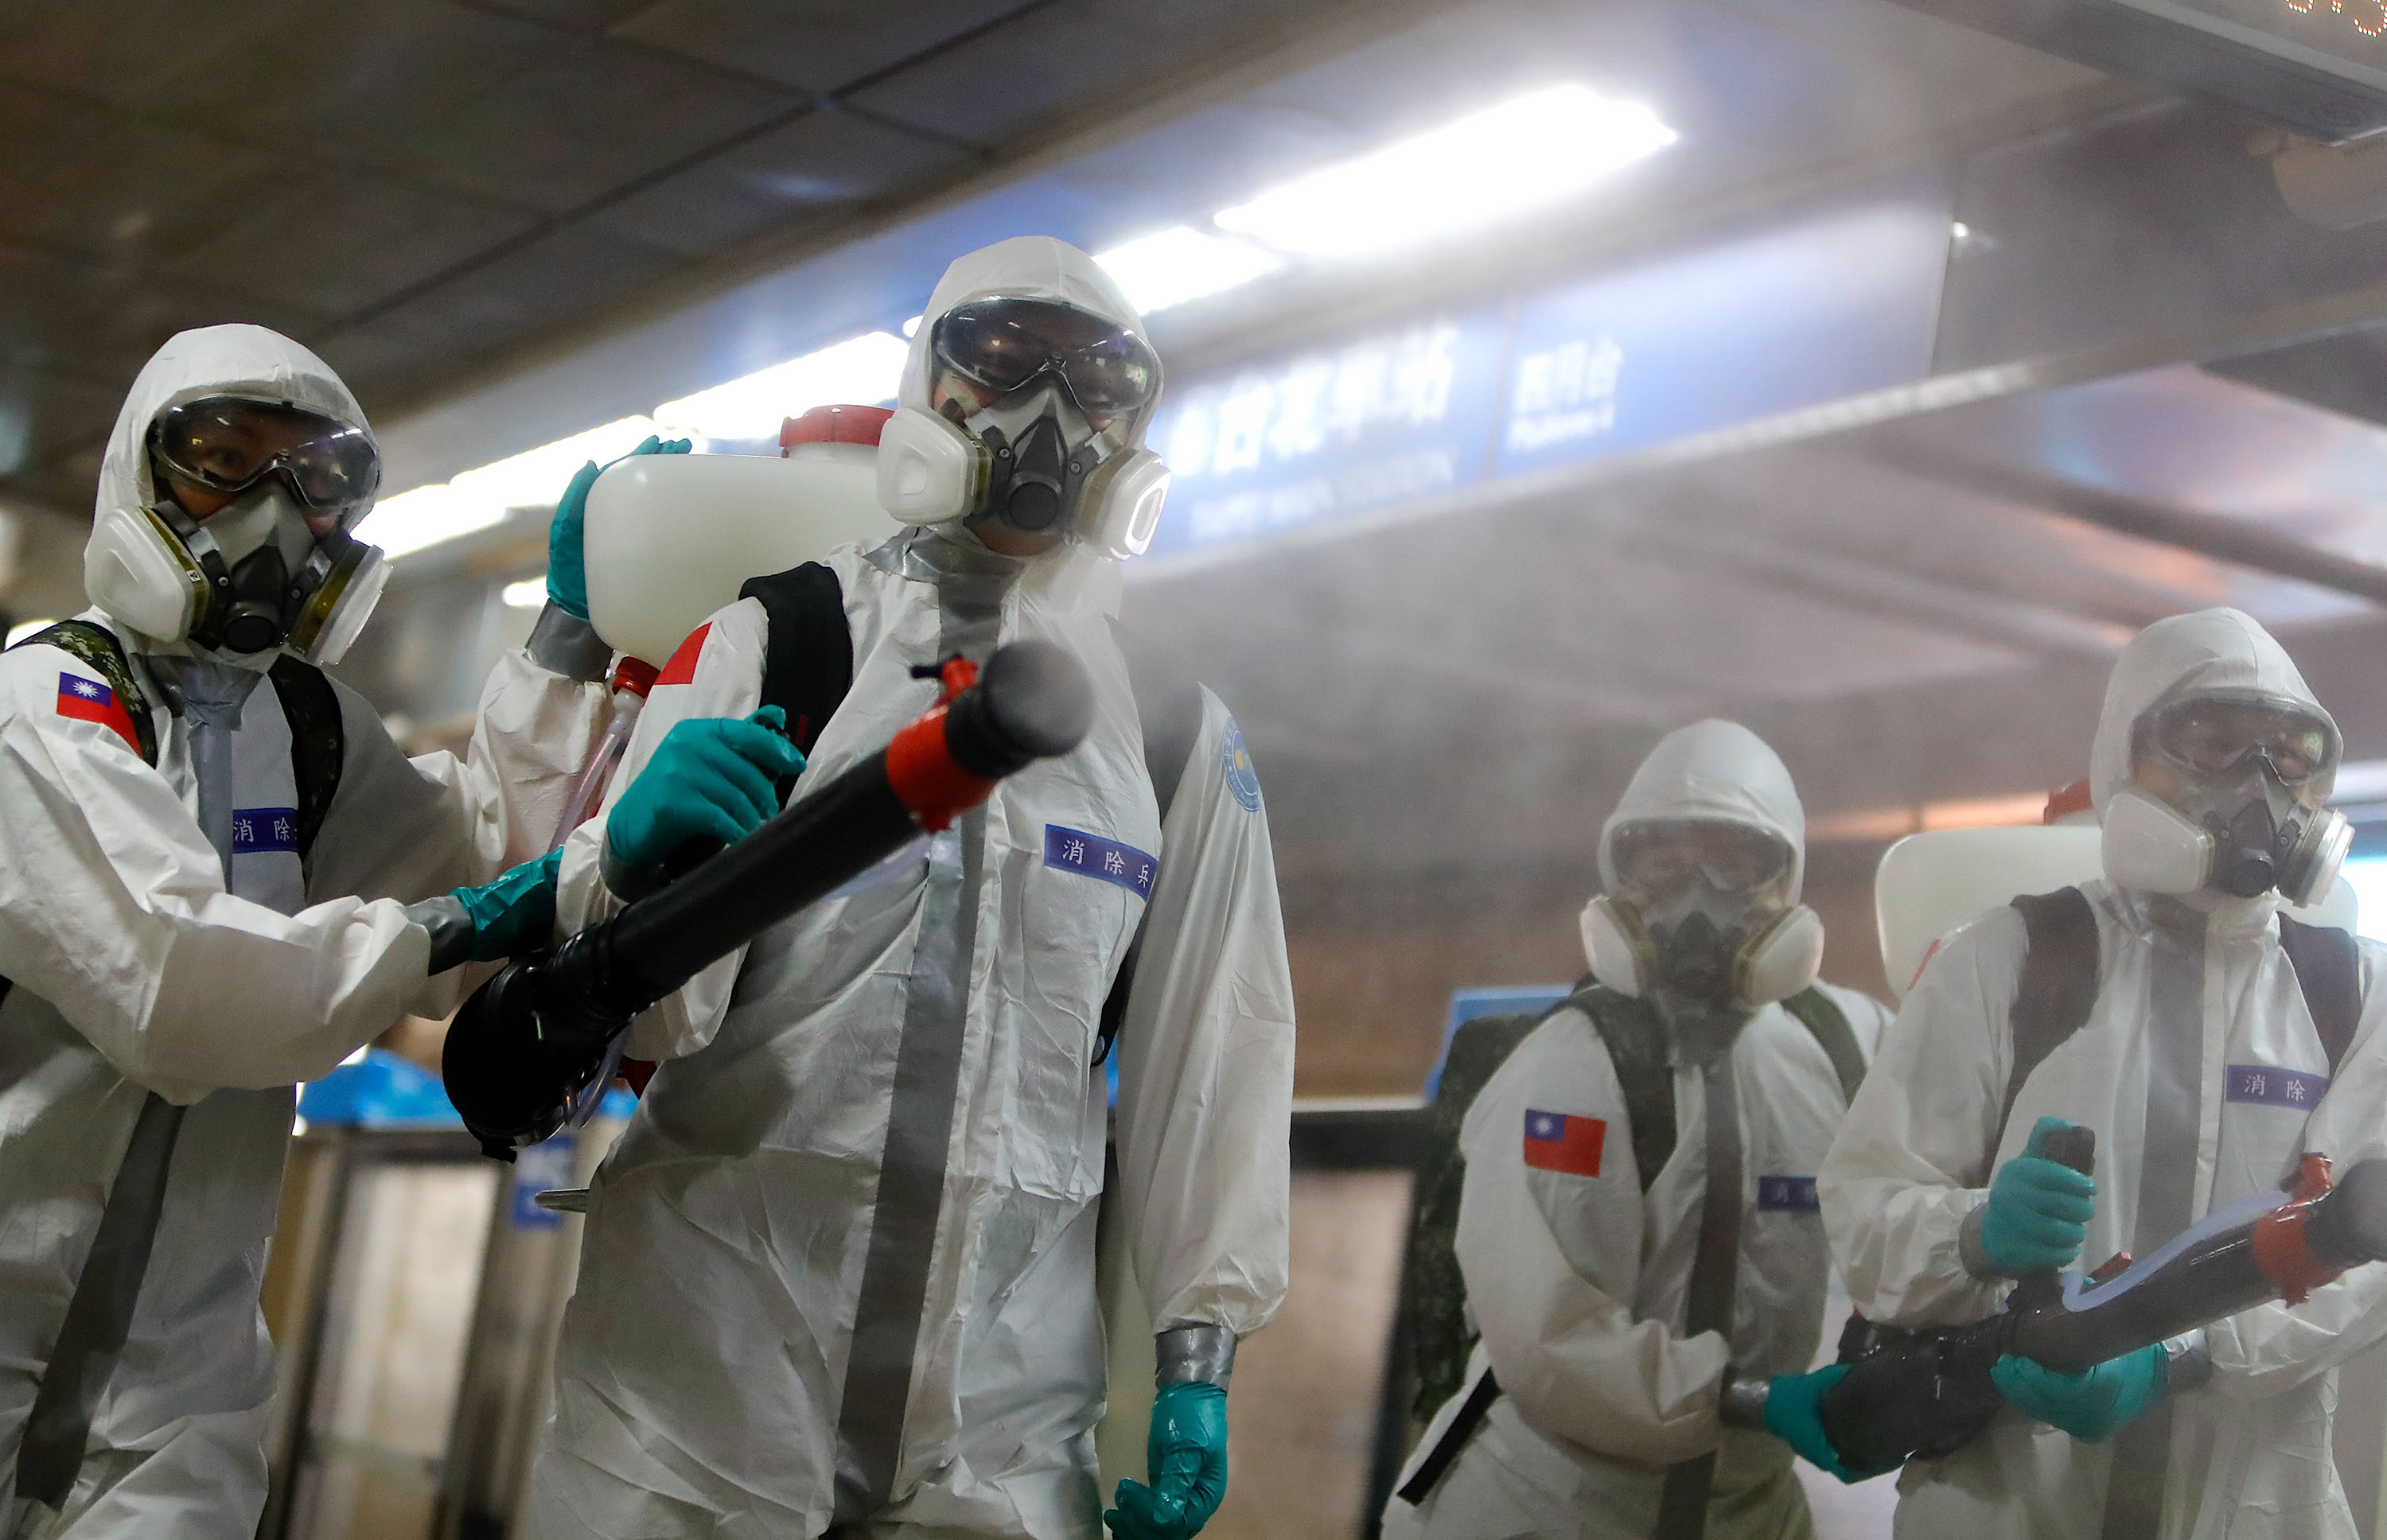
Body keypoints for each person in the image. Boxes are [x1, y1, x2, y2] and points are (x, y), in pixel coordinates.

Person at [523, 236, 1295, 1539]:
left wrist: (1198, 1354)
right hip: (699, 1402)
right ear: (925, 390)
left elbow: (1220, 1053)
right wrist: (627, 873)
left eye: (1096, 387)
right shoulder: (781, 643)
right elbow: (632, 1019)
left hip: (996, 1425)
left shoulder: (1171, 734)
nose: (1047, 418)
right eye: (1001, 363)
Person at [0, 324, 660, 1538]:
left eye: (317, 484)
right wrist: (480, 913)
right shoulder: (37, 707)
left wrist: (572, 652)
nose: (272, 517)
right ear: (139, 479)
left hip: (171, 1416)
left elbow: (477, 876)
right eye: (222, 461)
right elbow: (180, 995)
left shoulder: (303, 728)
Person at [1819, 606, 2387, 1540]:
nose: (2256, 783)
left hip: (2251, 1496)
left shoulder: (2351, 991)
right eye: (2211, 740)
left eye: (2286, 756)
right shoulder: (2007, 960)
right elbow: (1864, 1207)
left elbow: (2363, 1249)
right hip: (2010, 1488)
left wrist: (2186, 1357)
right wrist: (1970, 1234)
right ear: (2125, 759)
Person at [1384, 719, 1892, 1540]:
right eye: (1661, 859)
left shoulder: (1842, 1047)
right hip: (1544, 1512)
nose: (1695, 898)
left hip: (1747, 1512)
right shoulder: (1571, 1067)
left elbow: (1928, 1175)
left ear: (1786, 881)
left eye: (1732, 860)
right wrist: (1753, 1399)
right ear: (1618, 878)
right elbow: (1552, 1341)